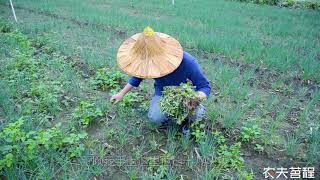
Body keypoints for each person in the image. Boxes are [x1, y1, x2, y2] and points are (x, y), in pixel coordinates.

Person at [110, 27, 211, 132]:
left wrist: (195, 98)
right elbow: (137, 77)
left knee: (197, 114)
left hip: (185, 95)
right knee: (155, 118)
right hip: (162, 93)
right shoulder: (147, 62)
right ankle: (170, 120)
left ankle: (185, 122)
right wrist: (121, 93)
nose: (150, 64)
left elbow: (204, 86)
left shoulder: (188, 62)